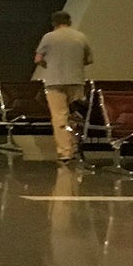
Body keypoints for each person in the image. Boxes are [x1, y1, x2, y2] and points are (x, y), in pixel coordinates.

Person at [34, 11, 94, 161]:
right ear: (70, 22)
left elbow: (38, 58)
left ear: (53, 23)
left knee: (59, 116)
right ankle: (75, 146)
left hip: (54, 82)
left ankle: (65, 151)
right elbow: (89, 59)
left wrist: (47, 65)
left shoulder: (49, 37)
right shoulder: (81, 37)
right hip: (76, 81)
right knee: (75, 115)